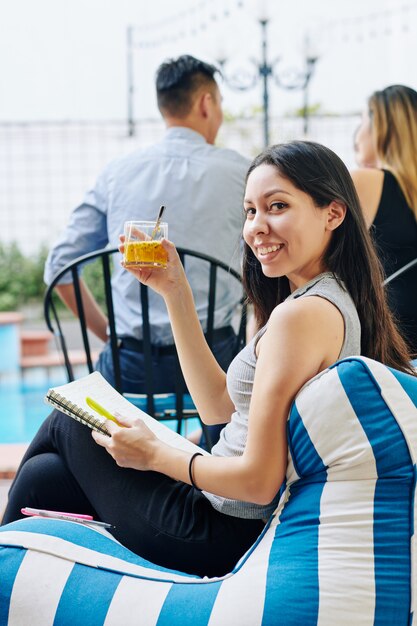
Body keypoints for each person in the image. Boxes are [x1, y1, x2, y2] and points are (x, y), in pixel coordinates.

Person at [3, 141, 414, 580]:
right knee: (46, 478)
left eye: (277, 206)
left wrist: (156, 454)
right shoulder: (321, 301)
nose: (257, 227)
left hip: (217, 531)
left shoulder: (303, 316)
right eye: (250, 211)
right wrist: (175, 290)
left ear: (333, 213)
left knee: (70, 419)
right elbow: (219, 407)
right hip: (221, 515)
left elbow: (258, 483)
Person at [44, 54, 250, 395]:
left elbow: (59, 267)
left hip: (131, 368)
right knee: (237, 398)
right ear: (206, 103)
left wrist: (111, 333)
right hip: (218, 364)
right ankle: (216, 448)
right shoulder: (244, 173)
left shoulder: (117, 173)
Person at [351, 84, 417, 355]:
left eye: (362, 121)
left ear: (381, 128)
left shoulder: (366, 182)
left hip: (392, 352)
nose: (357, 134)